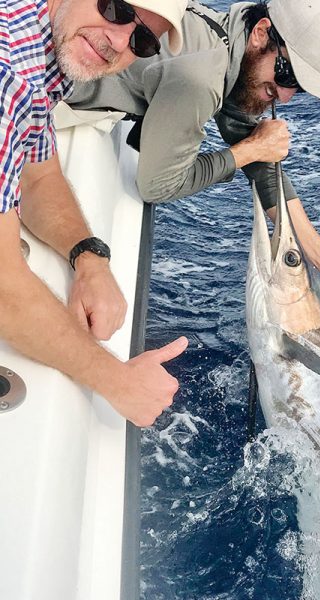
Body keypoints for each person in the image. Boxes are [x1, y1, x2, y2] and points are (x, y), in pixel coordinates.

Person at [68, 0, 320, 294]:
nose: (286, 95)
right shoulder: (202, 79)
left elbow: (265, 169)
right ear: (261, 33)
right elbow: (156, 187)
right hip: (59, 93)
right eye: (287, 74)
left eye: (299, 86)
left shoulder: (233, 49)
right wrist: (248, 150)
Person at [0, 0, 190, 427]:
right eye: (117, 8)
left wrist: (89, 259)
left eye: (142, 39)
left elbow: (37, 178)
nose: (118, 41)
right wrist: (118, 382)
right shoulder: (6, 72)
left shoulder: (40, 56)